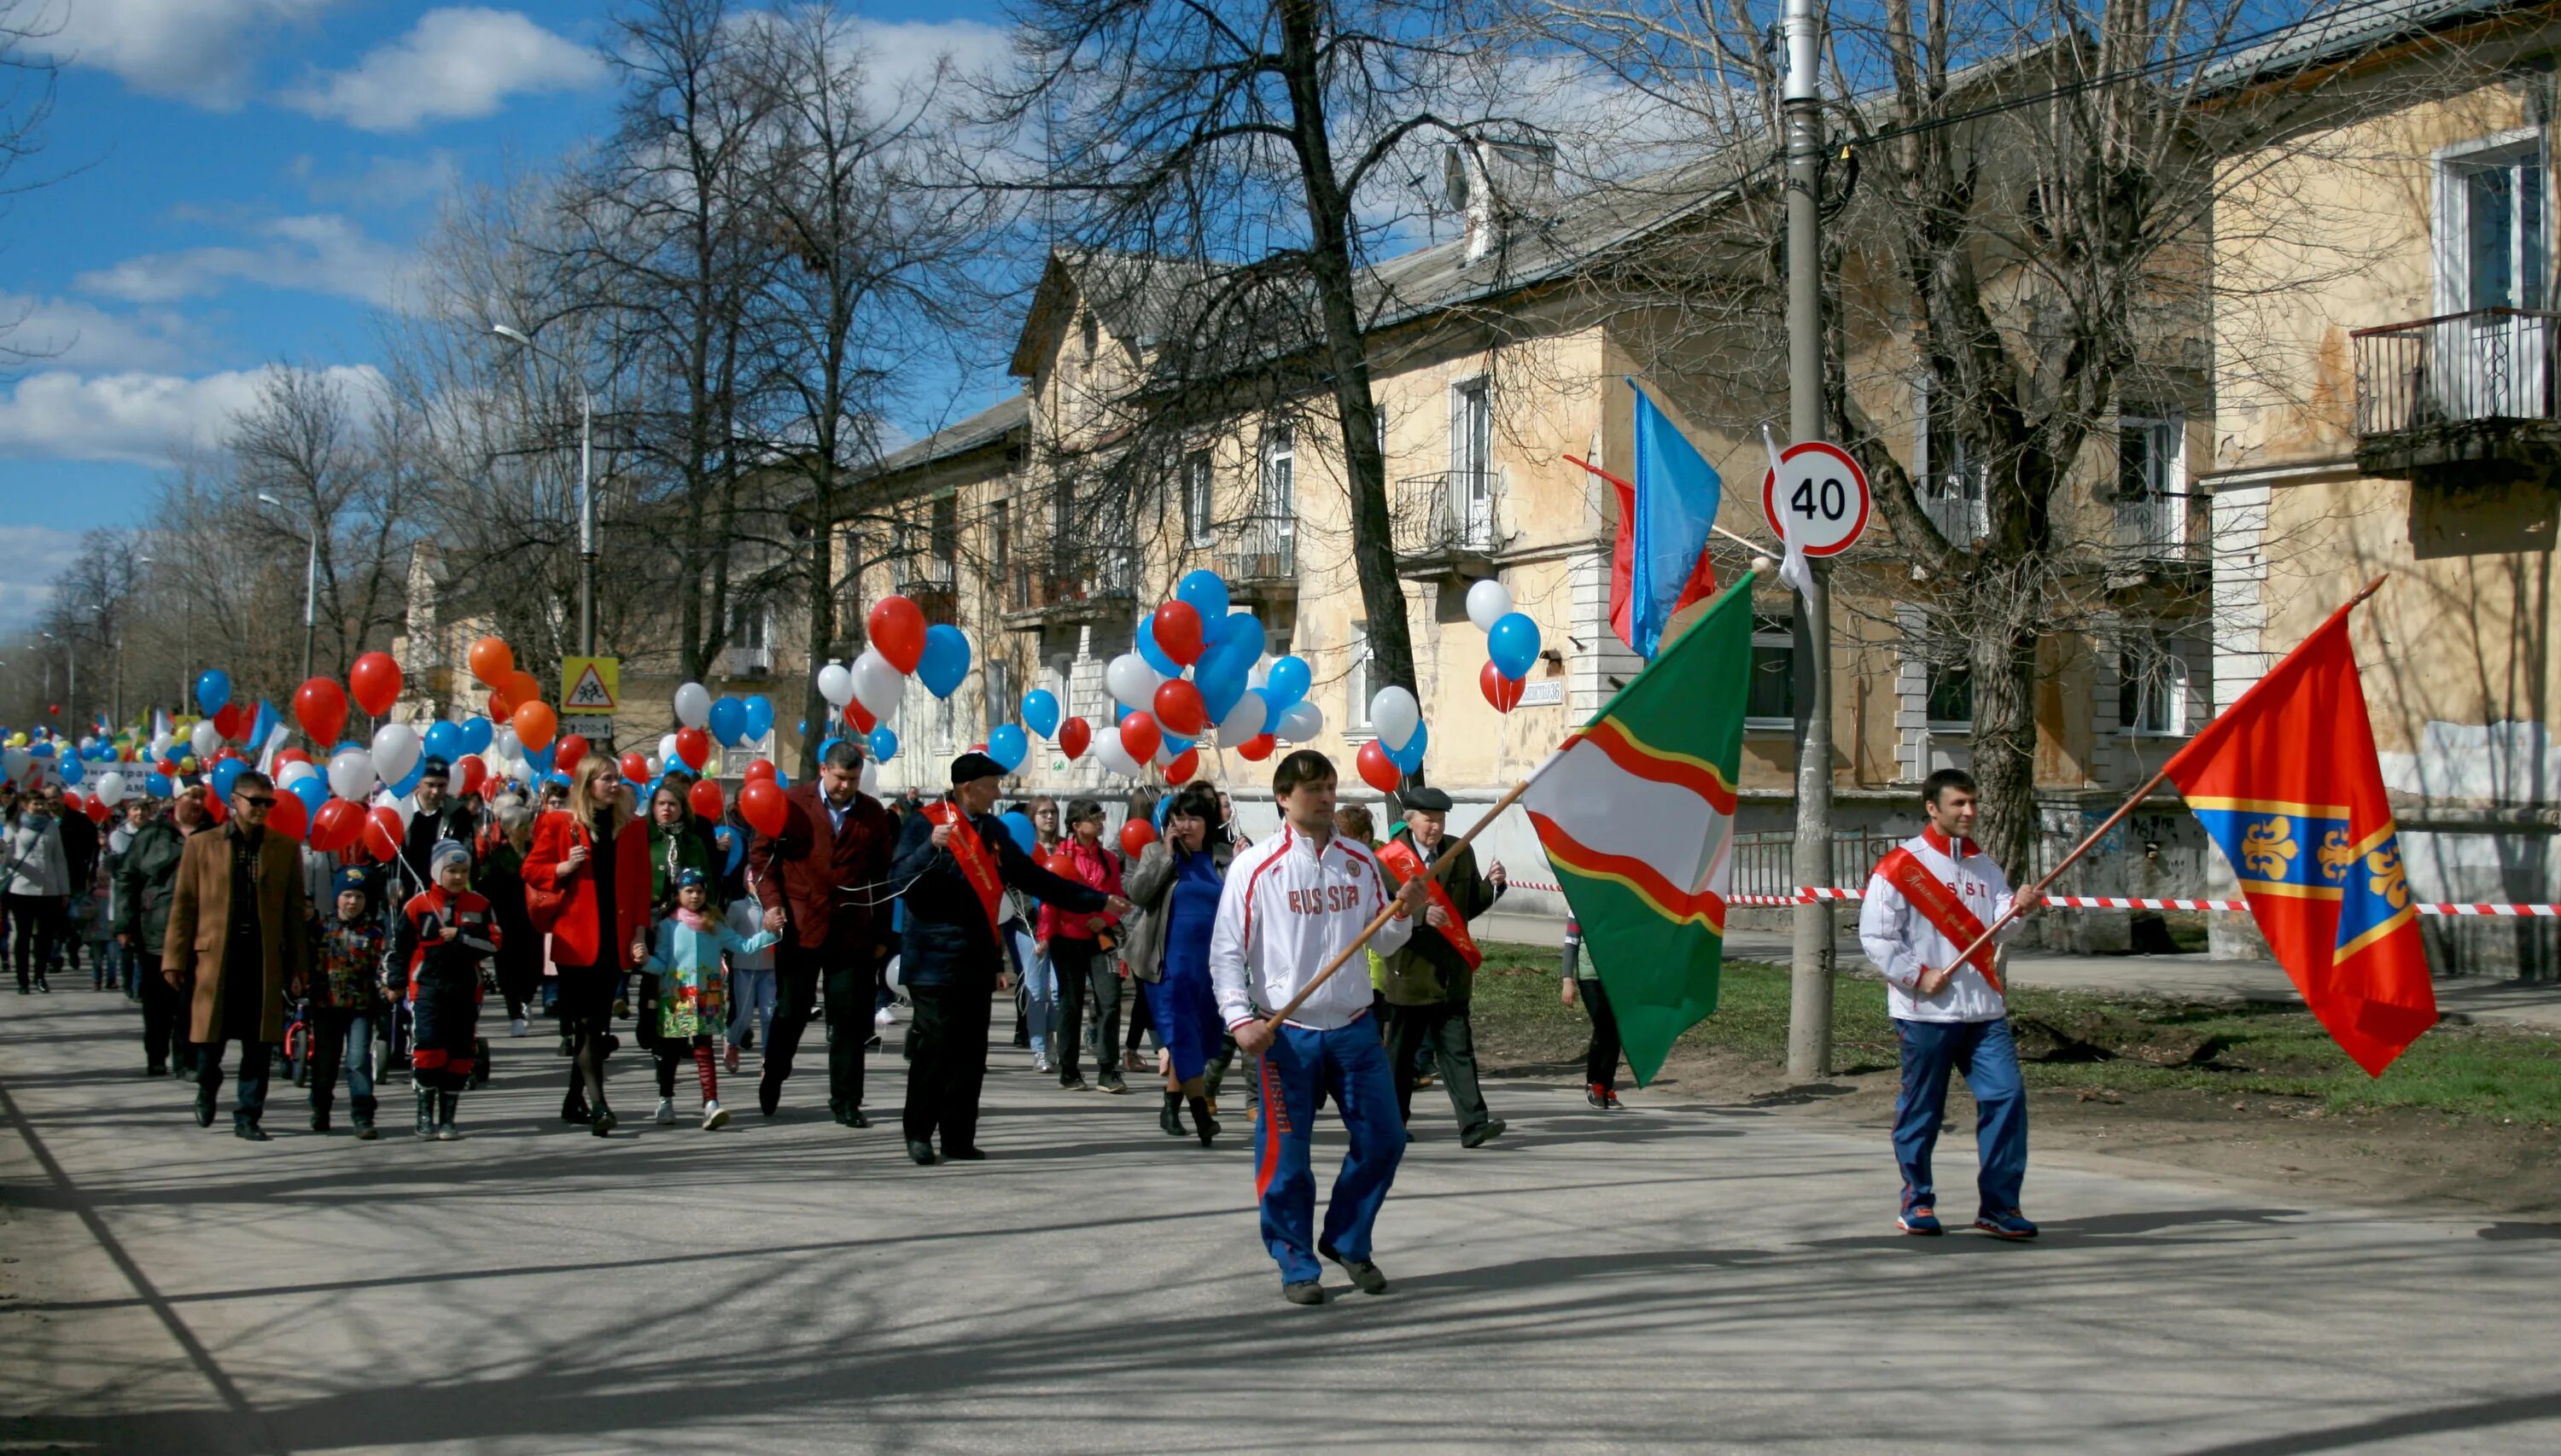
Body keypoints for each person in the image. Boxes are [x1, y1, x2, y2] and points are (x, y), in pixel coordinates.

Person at [1211, 749, 1430, 1306]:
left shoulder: (1359, 861)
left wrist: (1406, 912)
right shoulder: (1254, 867)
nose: (1326, 798)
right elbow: (1226, 953)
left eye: (1331, 788)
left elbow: (1383, 939)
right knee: (1287, 1158)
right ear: (1284, 798)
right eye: (1313, 790)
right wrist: (1241, 1020)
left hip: (1355, 1028)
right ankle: (1295, 1262)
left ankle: (1347, 1239)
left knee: (1385, 1138)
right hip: (1288, 1033)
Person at [890, 752, 1126, 1165]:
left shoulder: (994, 830)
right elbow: (898, 881)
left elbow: (1035, 878)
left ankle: (959, 1137)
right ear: (969, 788)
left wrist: (1096, 899)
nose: (999, 792)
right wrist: (930, 848)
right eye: (992, 785)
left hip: (976, 956)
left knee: (970, 1053)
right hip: (932, 957)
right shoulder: (924, 823)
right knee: (935, 1049)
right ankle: (919, 1134)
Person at [1857, 767, 2037, 1240]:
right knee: (1924, 1108)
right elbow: (1876, 936)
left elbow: (2000, 927)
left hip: (1984, 1011)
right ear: (1932, 807)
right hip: (1926, 1013)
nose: (1970, 812)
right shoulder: (1900, 866)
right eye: (1959, 803)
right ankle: (1917, 1201)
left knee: (2006, 1098)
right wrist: (1918, 975)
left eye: (1973, 802)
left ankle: (1999, 1206)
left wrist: (2018, 907)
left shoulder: (1986, 866)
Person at [746, 738, 895, 1128]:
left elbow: (881, 876)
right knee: (791, 1011)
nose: (846, 786)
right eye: (841, 778)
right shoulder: (791, 802)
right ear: (824, 771)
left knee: (849, 1020)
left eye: (854, 779)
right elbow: (762, 856)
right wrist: (772, 903)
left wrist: (883, 932)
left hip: (852, 931)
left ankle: (846, 1101)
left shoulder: (872, 813)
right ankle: (774, 1072)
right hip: (800, 925)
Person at [163, 772, 309, 1141]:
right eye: (254, 802)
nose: (261, 809)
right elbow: (184, 905)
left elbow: (294, 912)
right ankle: (207, 1087)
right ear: (234, 802)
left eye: (267, 803)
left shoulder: (284, 847)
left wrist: (298, 965)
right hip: (216, 958)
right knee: (210, 1040)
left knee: (259, 1044)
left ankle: (248, 1116)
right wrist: (174, 958)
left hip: (262, 957)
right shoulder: (203, 844)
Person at [526, 754, 653, 1136]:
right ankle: (599, 1106)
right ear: (586, 784)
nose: (614, 785)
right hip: (576, 942)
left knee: (598, 1026)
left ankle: (572, 1101)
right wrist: (562, 868)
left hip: (614, 941)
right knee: (586, 1026)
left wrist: (639, 933)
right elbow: (531, 869)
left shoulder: (630, 829)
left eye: (617, 779)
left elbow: (642, 886)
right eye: (606, 779)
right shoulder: (558, 823)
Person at [1376, 785, 1508, 1148]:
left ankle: (1473, 1125)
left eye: (1439, 820)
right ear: (1410, 820)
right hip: (1410, 972)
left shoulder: (1459, 850)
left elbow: (1468, 907)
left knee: (1458, 1051)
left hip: (1451, 974)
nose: (1434, 827)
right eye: (1428, 820)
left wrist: (1494, 886)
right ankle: (1392, 1125)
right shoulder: (1388, 858)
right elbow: (1379, 912)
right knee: (1400, 1059)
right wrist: (1419, 915)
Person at [1122, 780, 1234, 1146]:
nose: (1185, 826)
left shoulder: (1224, 856)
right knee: (1181, 1035)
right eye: (1178, 818)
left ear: (1208, 822)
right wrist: (1168, 858)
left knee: (1200, 1040)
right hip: (1165, 965)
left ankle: (1171, 1106)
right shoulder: (1157, 853)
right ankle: (1202, 1117)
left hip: (1211, 968)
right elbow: (1137, 893)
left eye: (1193, 818)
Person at [645, 866, 777, 1130]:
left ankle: (711, 1103)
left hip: (708, 997)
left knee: (704, 1050)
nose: (695, 896)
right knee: (671, 1052)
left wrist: (772, 932)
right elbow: (660, 962)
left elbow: (743, 945)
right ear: (678, 893)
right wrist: (643, 961)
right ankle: (665, 1101)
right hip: (677, 997)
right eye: (689, 891)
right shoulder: (668, 926)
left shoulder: (714, 924)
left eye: (700, 891)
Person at [393, 841, 499, 1140]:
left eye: (463, 871)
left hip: (465, 989)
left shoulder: (480, 905)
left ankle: (448, 1117)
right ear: (438, 871)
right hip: (426, 987)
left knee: (460, 1052)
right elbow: (400, 949)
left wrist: (462, 937)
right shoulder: (418, 905)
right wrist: (395, 983)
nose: (457, 877)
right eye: (451, 870)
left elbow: (494, 944)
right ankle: (424, 1114)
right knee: (428, 1047)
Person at [1041, 800, 1127, 1093]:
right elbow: (1050, 900)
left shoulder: (1109, 860)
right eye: (1094, 818)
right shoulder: (1061, 857)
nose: (1100, 822)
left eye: (1101, 817)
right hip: (1066, 940)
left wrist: (1103, 919)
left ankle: (1108, 1068)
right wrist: (1044, 935)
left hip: (1101, 940)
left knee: (1110, 1000)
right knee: (1071, 1004)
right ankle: (1069, 1069)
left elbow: (1118, 898)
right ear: (1076, 826)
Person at [116, 791, 204, 1078]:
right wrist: (124, 925)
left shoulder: (215, 833)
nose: (199, 802)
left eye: (203, 796)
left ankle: (186, 1060)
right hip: (155, 929)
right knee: (157, 1002)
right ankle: (156, 1055)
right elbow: (127, 878)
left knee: (191, 1000)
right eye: (193, 796)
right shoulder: (153, 835)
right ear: (176, 799)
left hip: (199, 931)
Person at [304, 867, 390, 1138]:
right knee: (325, 1063)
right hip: (326, 1007)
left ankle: (363, 1116)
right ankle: (320, 1109)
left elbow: (383, 967)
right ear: (337, 897)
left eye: (359, 897)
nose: (353, 902)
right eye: (348, 895)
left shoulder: (375, 933)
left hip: (361, 1008)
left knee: (357, 1061)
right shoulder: (321, 929)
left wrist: (388, 989)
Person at [480, 797, 542, 1037]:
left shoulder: (535, 852)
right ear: (507, 828)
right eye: (521, 825)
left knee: (533, 969)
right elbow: (487, 890)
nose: (526, 830)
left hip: (532, 920)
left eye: (529, 824)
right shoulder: (498, 858)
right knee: (507, 971)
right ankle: (514, 1013)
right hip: (506, 920)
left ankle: (527, 999)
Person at [4, 785, 68, 993]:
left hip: (48, 889)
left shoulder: (51, 825)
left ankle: (39, 976)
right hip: (22, 888)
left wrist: (64, 889)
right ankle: (22, 979)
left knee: (45, 937)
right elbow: (6, 856)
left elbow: (59, 859)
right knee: (22, 936)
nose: (40, 807)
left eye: (42, 803)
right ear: (25, 805)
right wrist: (6, 856)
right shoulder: (14, 825)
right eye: (36, 804)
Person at [1558, 920, 1625, 1109]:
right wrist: (1567, 980)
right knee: (1603, 1027)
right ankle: (1594, 1083)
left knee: (1615, 1032)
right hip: (1590, 978)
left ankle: (1607, 1087)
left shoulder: (1618, 906)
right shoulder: (1579, 904)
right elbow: (1571, 944)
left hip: (1615, 977)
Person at [724, 885, 778, 1075]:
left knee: (769, 1015)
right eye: (755, 880)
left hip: (770, 969)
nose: (759, 885)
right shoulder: (738, 907)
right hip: (743, 969)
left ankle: (767, 1056)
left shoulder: (776, 908)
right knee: (744, 1016)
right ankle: (732, 1043)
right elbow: (725, 934)